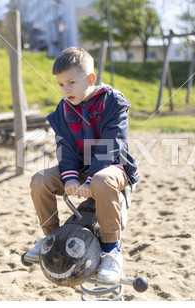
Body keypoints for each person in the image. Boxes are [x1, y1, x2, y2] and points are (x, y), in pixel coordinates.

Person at [24, 47, 140, 283]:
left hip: (113, 167)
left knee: (100, 180)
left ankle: (111, 250)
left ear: (90, 79)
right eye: (61, 85)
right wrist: (70, 178)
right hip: (79, 168)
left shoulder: (112, 102)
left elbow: (111, 144)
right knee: (40, 180)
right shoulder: (63, 109)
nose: (66, 90)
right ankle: (51, 237)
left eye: (71, 83)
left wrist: (89, 179)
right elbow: (65, 148)